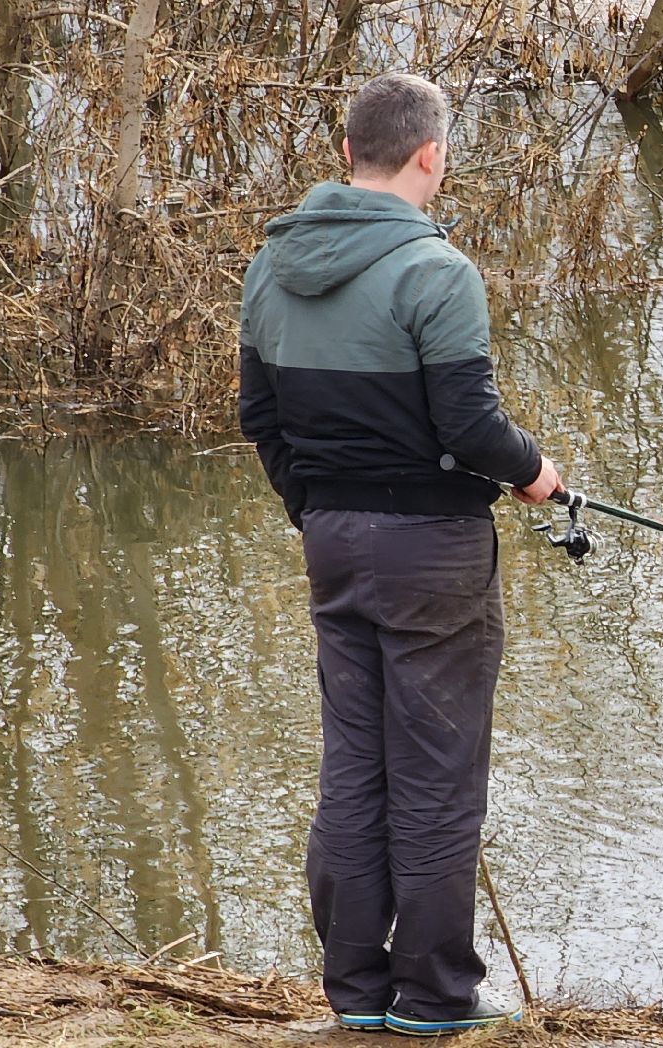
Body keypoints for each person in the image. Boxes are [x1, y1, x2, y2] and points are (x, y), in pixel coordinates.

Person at [237, 71, 561, 1036]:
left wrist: (318, 509)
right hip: (435, 552)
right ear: (432, 156)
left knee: (355, 764)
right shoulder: (436, 272)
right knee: (436, 772)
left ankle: (356, 995)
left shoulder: (270, 266)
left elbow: (262, 419)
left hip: (332, 543)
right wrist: (539, 474)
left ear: (346, 154)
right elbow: (471, 424)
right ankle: (433, 999)